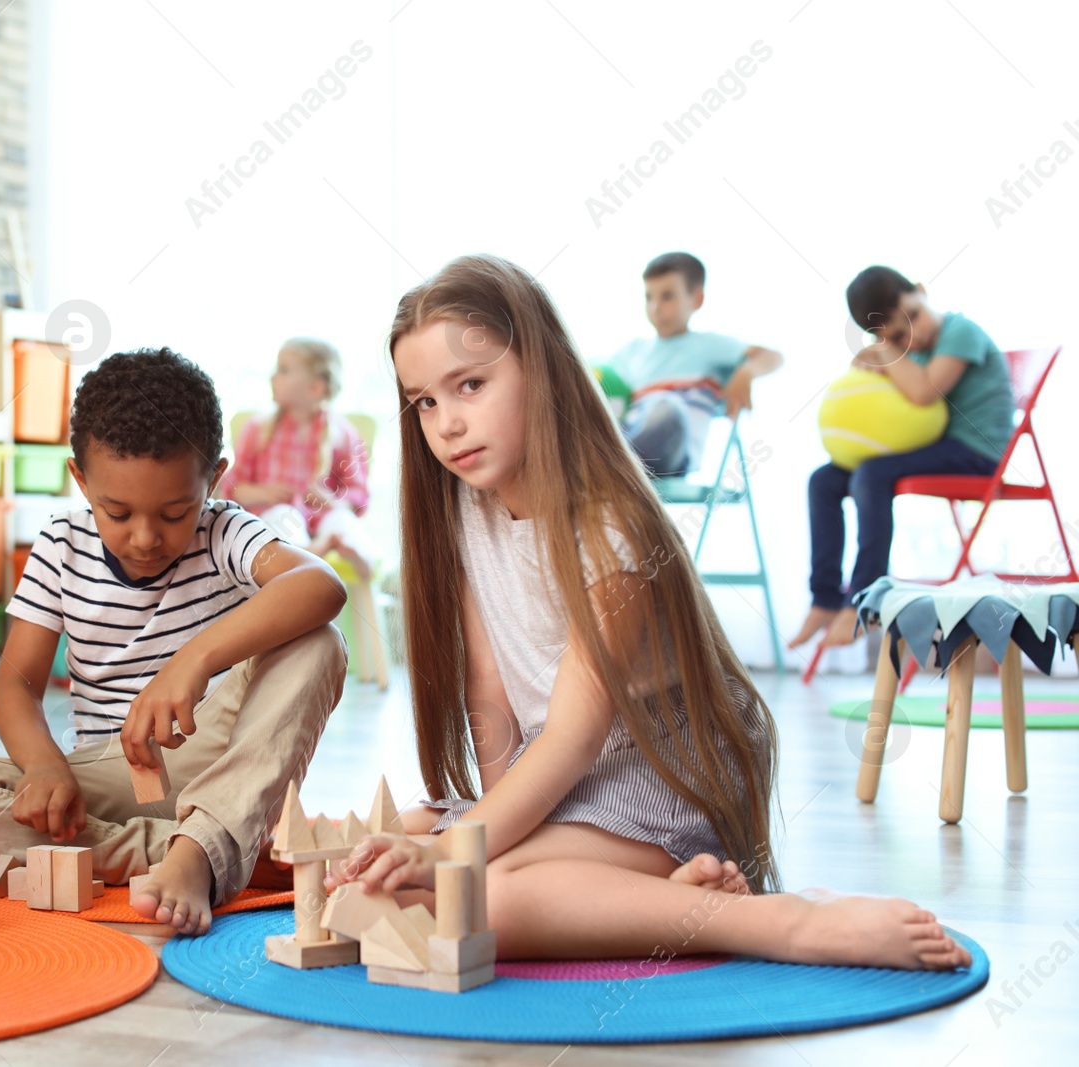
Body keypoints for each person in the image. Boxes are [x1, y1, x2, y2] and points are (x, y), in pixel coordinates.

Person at [327, 253, 970, 971]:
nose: (447, 424)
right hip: (567, 768)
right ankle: (654, 890)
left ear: (541, 369)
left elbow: (574, 736)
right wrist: (475, 837)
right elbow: (489, 692)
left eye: (470, 385)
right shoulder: (464, 509)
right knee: (401, 859)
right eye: (425, 402)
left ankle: (777, 923)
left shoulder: (610, 529)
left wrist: (462, 857)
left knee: (480, 896)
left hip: (660, 765)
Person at [0, 348, 348, 936]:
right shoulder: (60, 545)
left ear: (212, 478)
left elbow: (321, 584)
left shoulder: (225, 530)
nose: (144, 537)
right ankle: (195, 851)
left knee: (320, 643)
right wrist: (42, 767)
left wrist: (193, 659)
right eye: (117, 511)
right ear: (80, 480)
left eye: (174, 512)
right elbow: (16, 685)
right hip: (108, 777)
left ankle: (204, 843)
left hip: (214, 758)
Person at [789, 266, 1013, 650]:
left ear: (923, 291)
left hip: (976, 452)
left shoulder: (961, 332)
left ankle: (865, 598)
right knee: (823, 480)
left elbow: (924, 394)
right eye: (895, 334)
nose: (914, 334)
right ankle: (825, 597)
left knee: (872, 474)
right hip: (935, 448)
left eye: (913, 317)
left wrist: (888, 349)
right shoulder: (911, 353)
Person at [606, 252, 782, 476]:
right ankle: (611, 464)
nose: (655, 307)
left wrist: (746, 372)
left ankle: (612, 467)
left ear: (696, 299)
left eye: (667, 296)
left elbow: (774, 357)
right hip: (627, 442)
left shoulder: (708, 346)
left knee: (666, 407)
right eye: (649, 297)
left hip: (673, 453)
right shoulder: (633, 350)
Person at [224, 337, 377, 575]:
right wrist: (263, 492)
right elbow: (233, 488)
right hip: (279, 515)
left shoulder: (342, 433)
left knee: (343, 522)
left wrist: (331, 501)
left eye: (283, 370)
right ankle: (307, 552)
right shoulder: (258, 429)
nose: (272, 376)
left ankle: (361, 558)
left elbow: (357, 493)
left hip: (323, 519)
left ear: (315, 388)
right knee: (280, 517)